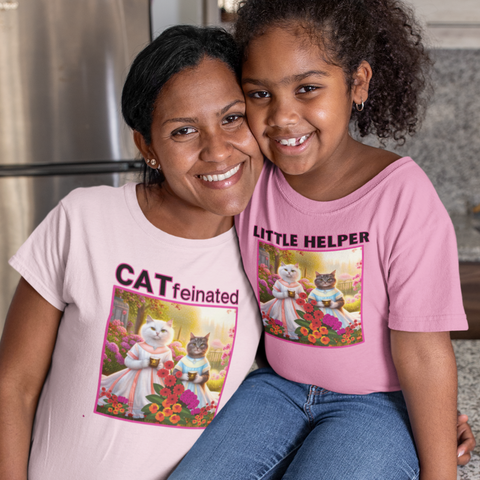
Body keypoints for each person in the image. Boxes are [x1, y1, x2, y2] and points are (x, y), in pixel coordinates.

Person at [168, 1, 475, 479]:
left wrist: (437, 460)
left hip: (376, 406)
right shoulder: (247, 182)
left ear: (357, 84)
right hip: (274, 389)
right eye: (259, 94)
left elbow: (423, 350)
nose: (283, 116)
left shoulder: (401, 195)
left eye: (307, 88)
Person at [0, 25, 264, 480]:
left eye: (232, 118)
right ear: (148, 148)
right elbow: (14, 385)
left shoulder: (270, 248)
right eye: (183, 130)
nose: (217, 150)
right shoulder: (84, 219)